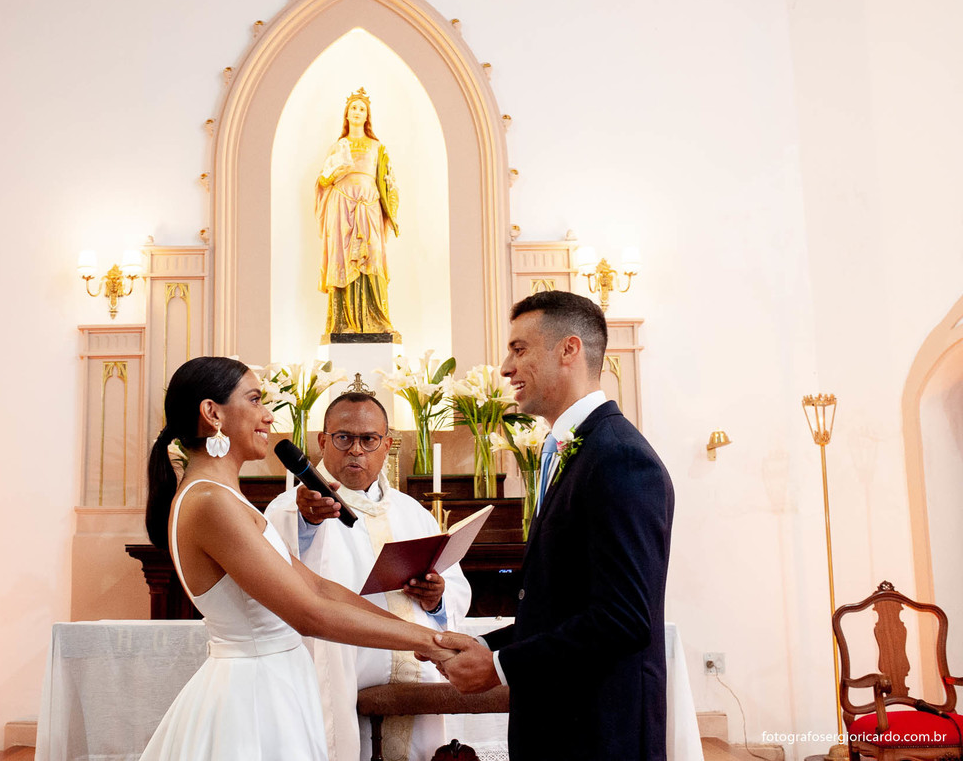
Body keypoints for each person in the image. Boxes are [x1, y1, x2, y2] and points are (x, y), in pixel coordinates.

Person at [139, 357, 455, 761]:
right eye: (255, 400)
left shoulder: (223, 497)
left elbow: (318, 586)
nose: (268, 416)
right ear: (212, 413)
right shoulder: (209, 502)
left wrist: (427, 638)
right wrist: (431, 643)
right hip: (254, 697)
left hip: (275, 682)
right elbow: (310, 614)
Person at [430, 291, 675, 761]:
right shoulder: (578, 448)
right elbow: (563, 608)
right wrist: (483, 645)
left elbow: (623, 620)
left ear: (569, 349)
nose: (506, 368)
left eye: (519, 349)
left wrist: (500, 666)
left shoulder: (619, 458)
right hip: (561, 727)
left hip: (598, 735)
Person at [265, 389, 471, 761]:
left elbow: (454, 584)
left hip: (417, 680)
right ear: (323, 441)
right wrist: (307, 523)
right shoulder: (294, 508)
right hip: (340, 675)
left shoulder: (412, 512)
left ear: (387, 444)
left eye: (369, 439)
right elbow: (279, 576)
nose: (356, 450)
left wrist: (437, 597)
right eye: (344, 438)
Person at [316, 87, 400, 337]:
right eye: (353, 107)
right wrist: (336, 172)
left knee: (373, 256)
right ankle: (343, 323)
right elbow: (323, 181)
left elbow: (389, 182)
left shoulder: (377, 147)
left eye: (361, 109)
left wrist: (391, 210)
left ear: (367, 116)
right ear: (346, 114)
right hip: (341, 206)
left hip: (369, 205)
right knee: (342, 259)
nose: (357, 112)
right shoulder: (337, 146)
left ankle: (378, 320)